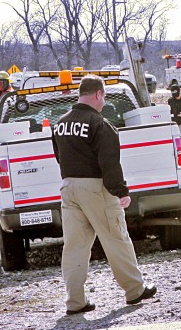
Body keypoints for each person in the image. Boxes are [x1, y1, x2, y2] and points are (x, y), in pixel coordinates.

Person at [52, 75, 156, 315]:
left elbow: (59, 156)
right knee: (116, 237)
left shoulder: (60, 124)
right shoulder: (100, 124)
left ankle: (75, 301)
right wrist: (121, 191)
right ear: (98, 94)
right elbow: (109, 162)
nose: (103, 102)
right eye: (104, 97)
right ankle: (134, 290)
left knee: (75, 246)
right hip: (96, 188)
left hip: (68, 188)